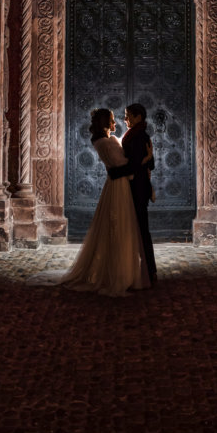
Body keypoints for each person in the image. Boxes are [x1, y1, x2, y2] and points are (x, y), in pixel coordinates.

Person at [59, 108, 152, 296]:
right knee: (120, 227)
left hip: (117, 184)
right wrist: (146, 159)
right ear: (104, 123)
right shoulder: (106, 142)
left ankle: (124, 271)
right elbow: (123, 166)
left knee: (119, 226)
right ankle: (120, 273)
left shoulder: (105, 140)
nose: (116, 122)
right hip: (119, 188)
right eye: (111, 120)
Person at [107, 104, 158, 284]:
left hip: (138, 188)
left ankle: (148, 271)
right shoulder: (137, 134)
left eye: (128, 116)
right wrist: (146, 160)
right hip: (136, 186)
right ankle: (143, 270)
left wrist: (115, 173)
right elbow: (148, 164)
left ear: (138, 117)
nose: (125, 119)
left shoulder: (139, 136)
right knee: (138, 229)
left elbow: (138, 165)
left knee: (142, 229)